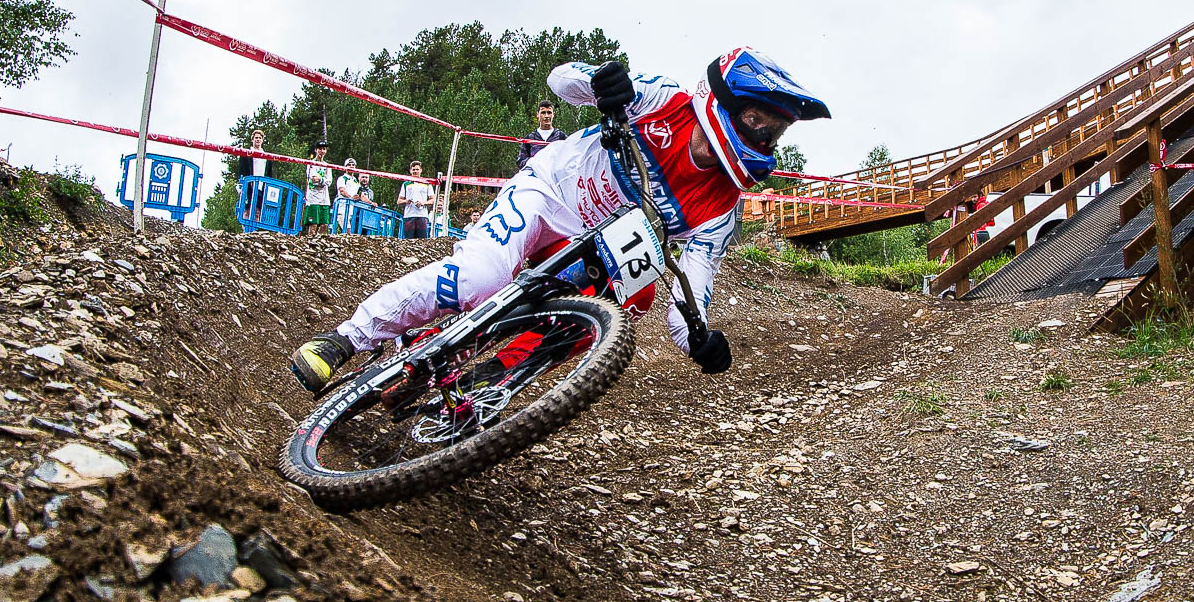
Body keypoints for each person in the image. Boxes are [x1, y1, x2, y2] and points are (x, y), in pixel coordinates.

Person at [289, 48, 829, 393]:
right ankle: (344, 340)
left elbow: (691, 296)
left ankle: (497, 378)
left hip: (597, 246)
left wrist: (700, 342)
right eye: (759, 121)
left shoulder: (722, 208)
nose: (766, 138)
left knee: (632, 298)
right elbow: (562, 78)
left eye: (776, 131)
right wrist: (604, 84)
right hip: (548, 193)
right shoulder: (666, 100)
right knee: (479, 278)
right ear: (728, 105)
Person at [516, 100, 567, 171]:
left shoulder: (561, 137)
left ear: (553, 114)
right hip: (535, 176)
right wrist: (535, 163)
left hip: (556, 176)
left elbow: (569, 158)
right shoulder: (529, 138)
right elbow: (520, 161)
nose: (546, 116)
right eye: (543, 113)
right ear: (537, 114)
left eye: (549, 113)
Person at [302, 142, 333, 235]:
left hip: (324, 199)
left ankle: (318, 241)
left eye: (324, 149)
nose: (322, 151)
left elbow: (329, 181)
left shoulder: (327, 166)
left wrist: (321, 179)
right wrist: (322, 180)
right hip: (313, 198)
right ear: (316, 150)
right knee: (313, 224)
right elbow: (314, 179)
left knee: (325, 225)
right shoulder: (311, 164)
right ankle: (309, 241)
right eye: (320, 149)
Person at [398, 161, 435, 239]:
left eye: (417, 169)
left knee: (422, 240)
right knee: (409, 240)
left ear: (421, 170)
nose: (415, 171)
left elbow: (433, 200)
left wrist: (423, 203)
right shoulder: (406, 184)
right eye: (413, 169)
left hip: (422, 215)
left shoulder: (427, 183)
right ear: (410, 171)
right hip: (409, 215)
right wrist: (406, 201)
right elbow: (399, 201)